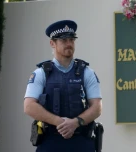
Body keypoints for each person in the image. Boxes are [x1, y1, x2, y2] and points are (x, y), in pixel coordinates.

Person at [23, 20, 102, 152]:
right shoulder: (41, 73)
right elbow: (29, 106)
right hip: (50, 141)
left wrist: (75, 123)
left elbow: (97, 107)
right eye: (64, 40)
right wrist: (60, 123)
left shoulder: (87, 72)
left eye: (71, 40)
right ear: (52, 43)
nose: (69, 44)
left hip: (81, 141)